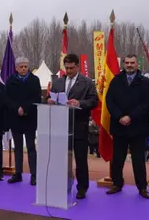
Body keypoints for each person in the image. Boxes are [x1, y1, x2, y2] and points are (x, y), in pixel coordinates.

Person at [48, 54, 98, 199]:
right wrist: (50, 100)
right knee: (61, 158)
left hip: (79, 125)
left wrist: (79, 103)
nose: (68, 71)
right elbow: (51, 97)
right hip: (61, 125)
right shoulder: (58, 82)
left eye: (71, 68)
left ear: (77, 66)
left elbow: (94, 101)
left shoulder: (87, 82)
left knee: (81, 159)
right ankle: (62, 184)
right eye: (66, 68)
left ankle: (82, 187)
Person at [105, 54, 149, 199]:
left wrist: (130, 116)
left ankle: (142, 187)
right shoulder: (116, 80)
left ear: (137, 64)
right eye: (127, 63)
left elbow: (147, 102)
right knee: (117, 158)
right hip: (119, 125)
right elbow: (109, 100)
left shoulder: (145, 82)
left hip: (137, 127)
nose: (129, 65)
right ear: (124, 64)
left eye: (132, 63)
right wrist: (120, 116)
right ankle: (117, 183)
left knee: (138, 160)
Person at [5, 57, 42, 185]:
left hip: (30, 118)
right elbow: (7, 99)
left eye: (26, 66)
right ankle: (18, 173)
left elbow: (36, 97)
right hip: (15, 119)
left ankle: (34, 174)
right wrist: (17, 108)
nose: (24, 69)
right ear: (16, 68)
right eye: (21, 66)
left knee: (31, 147)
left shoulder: (34, 80)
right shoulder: (10, 81)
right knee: (18, 147)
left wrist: (25, 108)